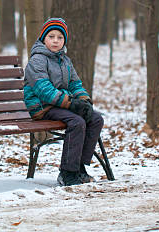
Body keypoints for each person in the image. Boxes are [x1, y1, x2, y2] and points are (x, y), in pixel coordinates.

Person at [24, 17, 104, 186]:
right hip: (42, 107)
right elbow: (44, 91)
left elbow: (75, 84)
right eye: (51, 36)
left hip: (60, 104)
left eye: (60, 37)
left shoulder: (65, 61)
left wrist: (84, 101)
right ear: (43, 38)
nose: (55, 41)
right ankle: (67, 173)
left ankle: (79, 168)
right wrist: (71, 103)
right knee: (77, 122)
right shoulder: (37, 60)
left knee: (96, 119)